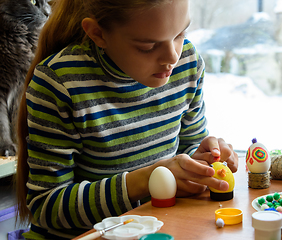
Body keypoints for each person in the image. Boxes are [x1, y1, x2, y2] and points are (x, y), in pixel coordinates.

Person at [16, 0, 239, 239]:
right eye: (148, 46)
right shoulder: (60, 83)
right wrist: (145, 180)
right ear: (98, 34)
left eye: (180, 33)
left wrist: (199, 162)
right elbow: (47, 207)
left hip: (153, 229)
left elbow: (188, 147)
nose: (172, 57)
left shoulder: (187, 63)